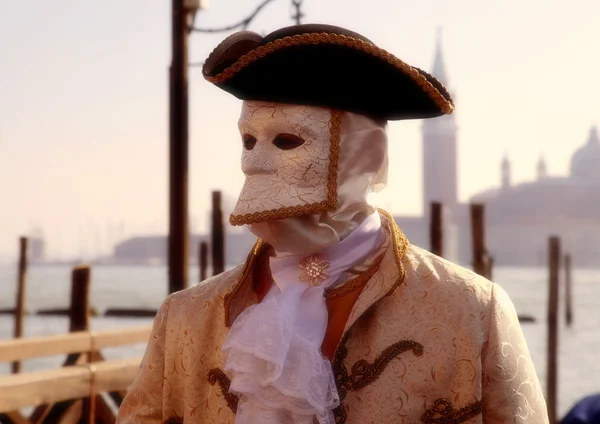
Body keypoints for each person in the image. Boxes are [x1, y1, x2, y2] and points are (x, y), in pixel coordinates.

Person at [117, 24, 548, 424]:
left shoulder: (472, 311)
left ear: (369, 157)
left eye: (288, 140)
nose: (256, 162)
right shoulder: (185, 318)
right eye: (248, 141)